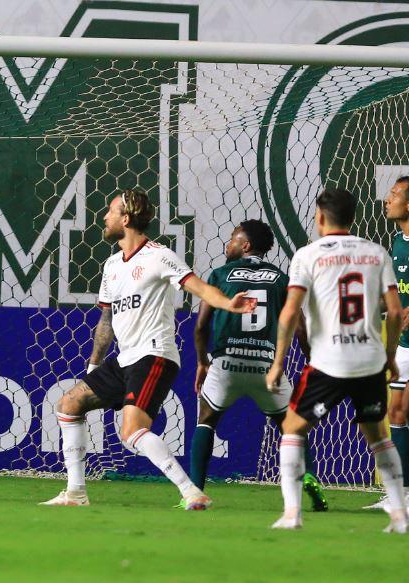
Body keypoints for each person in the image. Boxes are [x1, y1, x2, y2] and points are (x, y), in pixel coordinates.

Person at [40, 189, 255, 508]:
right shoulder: (112, 265)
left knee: (131, 432)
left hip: (154, 354)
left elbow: (198, 287)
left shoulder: (159, 256)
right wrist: (94, 366)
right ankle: (75, 492)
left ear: (125, 219)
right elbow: (106, 320)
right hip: (125, 358)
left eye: (111, 212)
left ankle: (191, 492)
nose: (105, 217)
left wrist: (228, 302)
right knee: (69, 405)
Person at [266, 188, 406, 532]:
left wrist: (278, 362)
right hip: (370, 359)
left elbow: (288, 313)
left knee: (292, 429)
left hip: (329, 361)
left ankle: (291, 513)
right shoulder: (376, 253)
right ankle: (400, 516)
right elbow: (395, 311)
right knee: (378, 436)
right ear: (354, 217)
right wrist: (389, 357)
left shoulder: (307, 255)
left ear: (319, 217)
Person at [190, 220, 327, 511]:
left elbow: (201, 327)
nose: (228, 244)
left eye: (232, 238)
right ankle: (311, 478)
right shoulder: (280, 278)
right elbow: (300, 328)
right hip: (267, 365)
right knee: (294, 427)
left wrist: (203, 362)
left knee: (206, 419)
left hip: (227, 362)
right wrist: (313, 364)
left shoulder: (220, 274)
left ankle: (195, 494)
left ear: (245, 245)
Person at [365, 176, 409, 512]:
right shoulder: (396, 241)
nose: (387, 200)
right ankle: (401, 494)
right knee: (395, 412)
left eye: (393, 195)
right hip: (405, 343)